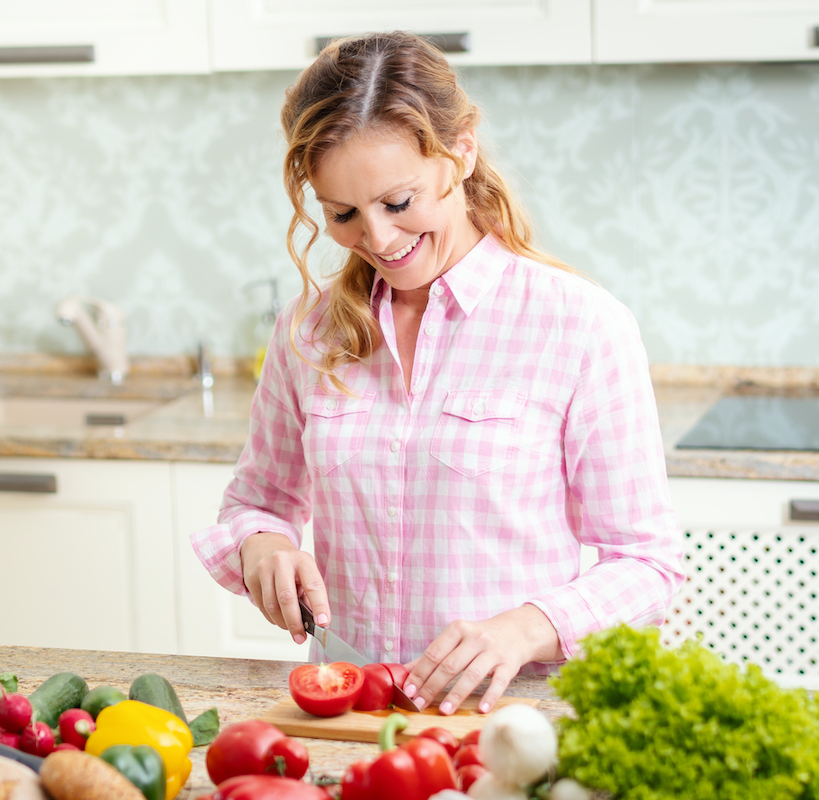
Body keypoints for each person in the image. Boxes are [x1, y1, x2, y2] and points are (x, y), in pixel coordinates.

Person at [191, 31, 685, 716]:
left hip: (513, 721)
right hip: (350, 712)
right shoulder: (307, 331)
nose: (380, 239)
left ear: (461, 150)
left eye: (398, 202)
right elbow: (257, 503)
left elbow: (648, 565)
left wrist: (523, 628)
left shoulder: (580, 325)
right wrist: (263, 549)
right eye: (342, 214)